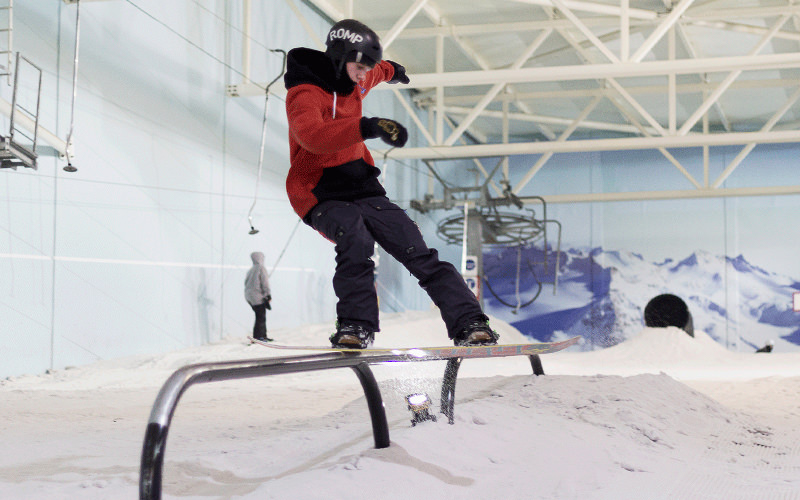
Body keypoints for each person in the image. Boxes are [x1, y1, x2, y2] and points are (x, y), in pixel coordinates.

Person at [283, 19, 499, 349]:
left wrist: (392, 70)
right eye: (359, 67)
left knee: (418, 251)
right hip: (318, 193)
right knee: (355, 238)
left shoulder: (358, 77)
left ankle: (470, 323)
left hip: (363, 188)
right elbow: (312, 137)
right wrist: (367, 127)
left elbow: (376, 72)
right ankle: (355, 327)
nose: (362, 75)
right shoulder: (304, 95)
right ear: (340, 59)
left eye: (365, 69)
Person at [245, 251, 272, 341]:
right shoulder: (261, 268)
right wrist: (268, 295)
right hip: (258, 296)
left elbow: (246, 284)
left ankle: (262, 336)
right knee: (261, 317)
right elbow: (265, 282)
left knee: (259, 315)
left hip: (249, 297)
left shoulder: (250, 270)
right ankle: (259, 337)